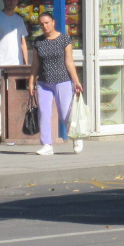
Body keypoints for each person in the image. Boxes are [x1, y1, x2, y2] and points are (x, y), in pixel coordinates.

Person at [28, 11, 84, 156]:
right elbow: (35, 64)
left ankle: (76, 138)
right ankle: (47, 144)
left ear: (53, 22)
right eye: (41, 24)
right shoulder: (38, 42)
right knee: (44, 113)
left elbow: (69, 61)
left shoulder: (64, 40)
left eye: (47, 23)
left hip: (62, 81)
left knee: (65, 113)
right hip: (44, 82)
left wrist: (76, 81)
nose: (44, 26)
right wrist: (31, 81)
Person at [0, 0, 29, 140]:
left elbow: (23, 42)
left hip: (17, 64)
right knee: (1, 97)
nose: (12, 2)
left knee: (17, 97)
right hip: (0, 64)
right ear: (4, 0)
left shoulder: (19, 20)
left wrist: (26, 64)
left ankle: (15, 128)